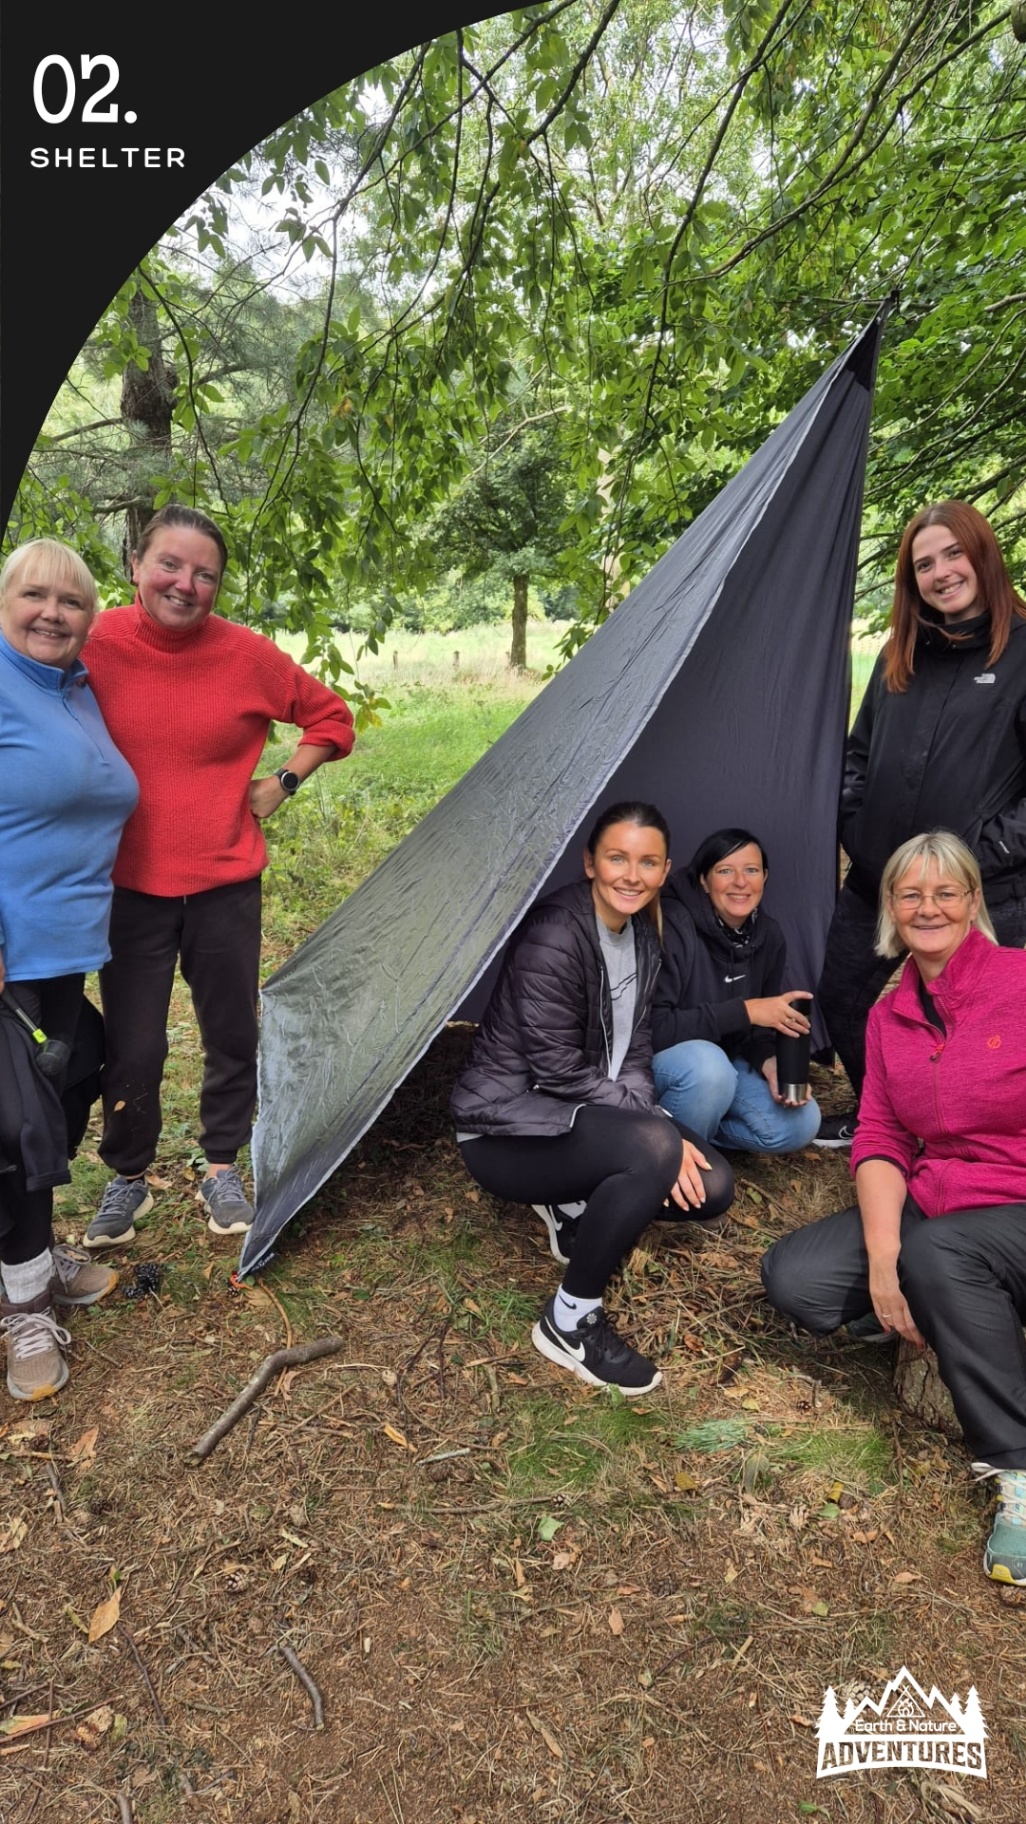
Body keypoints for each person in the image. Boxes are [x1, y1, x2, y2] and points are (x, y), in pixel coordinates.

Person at [81, 505, 355, 1248]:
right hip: (128, 886)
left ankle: (222, 1163)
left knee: (231, 1031)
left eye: (205, 574)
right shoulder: (93, 639)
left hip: (225, 884)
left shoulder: (249, 656)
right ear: (136, 564)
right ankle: (128, 1175)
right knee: (133, 1043)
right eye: (170, 564)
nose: (185, 584)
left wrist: (286, 780)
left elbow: (333, 719)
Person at [762, 831, 1026, 1586]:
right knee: (795, 1277)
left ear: (974, 902)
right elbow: (878, 1132)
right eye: (910, 893)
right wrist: (883, 1256)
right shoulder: (891, 1015)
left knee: (941, 1255)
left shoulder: (1020, 979)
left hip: (1014, 1208)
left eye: (946, 892)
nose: (928, 906)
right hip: (937, 1210)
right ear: (890, 909)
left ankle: (1018, 1475)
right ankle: (947, 1304)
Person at [450, 803, 735, 1395]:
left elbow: (636, 1048)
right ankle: (569, 1319)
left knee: (711, 1188)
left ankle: (570, 1207)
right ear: (590, 863)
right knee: (657, 1148)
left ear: (665, 870)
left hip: (576, 1118)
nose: (632, 875)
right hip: (505, 1128)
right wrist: (654, 1128)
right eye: (617, 858)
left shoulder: (642, 936)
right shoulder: (556, 934)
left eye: (648, 862)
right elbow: (555, 1067)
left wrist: (648, 1119)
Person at [817, 501, 1026, 1147]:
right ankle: (882, 1114)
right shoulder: (895, 657)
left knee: (985, 1027)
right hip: (882, 882)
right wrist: (859, 828)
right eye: (924, 563)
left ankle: (965, 1139)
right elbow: (857, 754)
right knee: (841, 998)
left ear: (983, 554)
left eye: (953, 553)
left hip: (986, 892)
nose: (941, 572)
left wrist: (985, 852)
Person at [0, 539, 138, 1398]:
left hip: (66, 949)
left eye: (72, 601)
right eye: (33, 595)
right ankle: (24, 1306)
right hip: (10, 955)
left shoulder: (75, 689)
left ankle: (29, 1247)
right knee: (16, 1131)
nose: (53, 612)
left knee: (73, 1075)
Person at [650, 828, 820, 1153]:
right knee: (709, 1068)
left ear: (765, 877)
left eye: (751, 870)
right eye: (725, 870)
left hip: (726, 1067)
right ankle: (664, 1153)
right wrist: (747, 1010)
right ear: (703, 880)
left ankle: (694, 1130)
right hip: (666, 1065)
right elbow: (654, 1030)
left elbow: (757, 1032)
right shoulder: (672, 926)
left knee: (802, 1121)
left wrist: (768, 1060)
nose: (740, 882)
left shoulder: (768, 936)